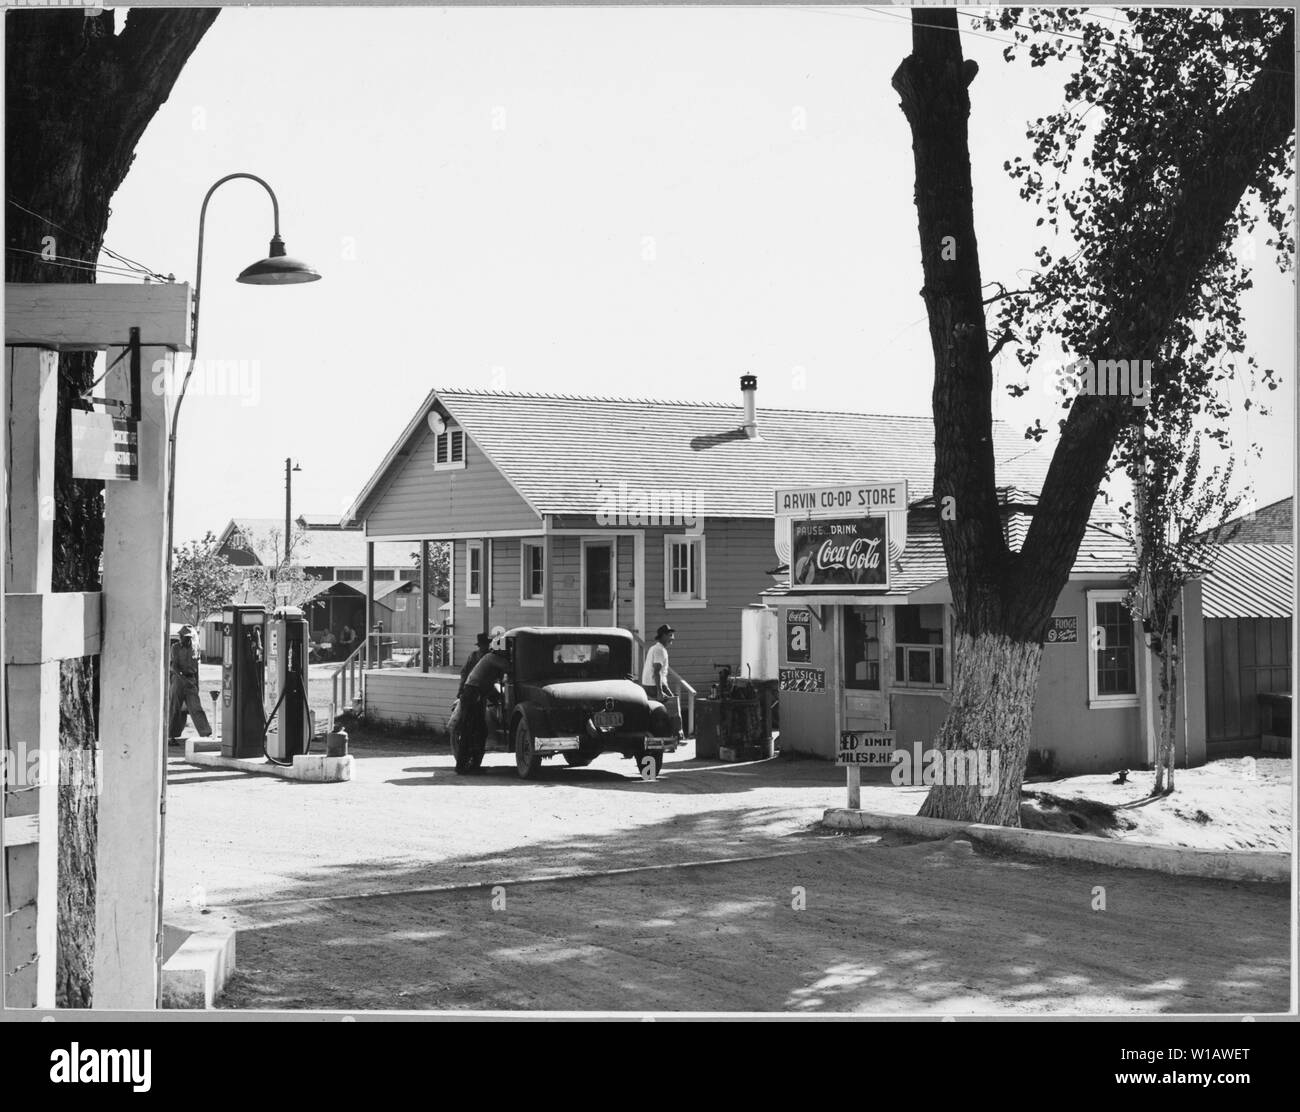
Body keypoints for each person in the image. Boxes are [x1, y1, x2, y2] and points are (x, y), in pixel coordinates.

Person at [453, 637, 510, 774]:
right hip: (474, 694)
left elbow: (488, 681)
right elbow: (510, 667)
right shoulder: (492, 658)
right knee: (473, 730)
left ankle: (469, 766)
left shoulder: (488, 658)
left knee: (475, 730)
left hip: (474, 693)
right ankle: (465, 766)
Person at [168, 625, 212, 746]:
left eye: (189, 637)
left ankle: (205, 733)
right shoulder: (175, 648)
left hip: (191, 680)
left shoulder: (195, 648)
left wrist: (196, 683)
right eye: (184, 637)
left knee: (196, 707)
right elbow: (173, 666)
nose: (186, 639)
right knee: (175, 708)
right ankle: (171, 736)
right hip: (178, 680)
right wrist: (182, 678)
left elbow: (196, 668)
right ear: (180, 637)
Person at [642, 624, 675, 702]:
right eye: (670, 635)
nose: (673, 638)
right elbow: (657, 671)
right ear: (663, 636)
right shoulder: (660, 650)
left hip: (647, 685)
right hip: (654, 686)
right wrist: (660, 692)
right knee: (673, 707)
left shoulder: (653, 648)